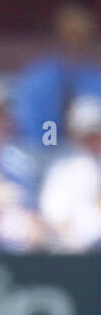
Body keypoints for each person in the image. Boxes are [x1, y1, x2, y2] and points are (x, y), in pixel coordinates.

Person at [15, 4, 101, 142]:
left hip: (88, 155)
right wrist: (51, 144)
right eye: (69, 35)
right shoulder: (38, 80)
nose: (74, 43)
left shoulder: (96, 81)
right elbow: (31, 126)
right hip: (43, 151)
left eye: (80, 36)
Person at [38, 95, 101, 251]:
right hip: (76, 254)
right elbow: (55, 216)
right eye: (86, 135)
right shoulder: (62, 170)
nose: (92, 140)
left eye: (96, 134)